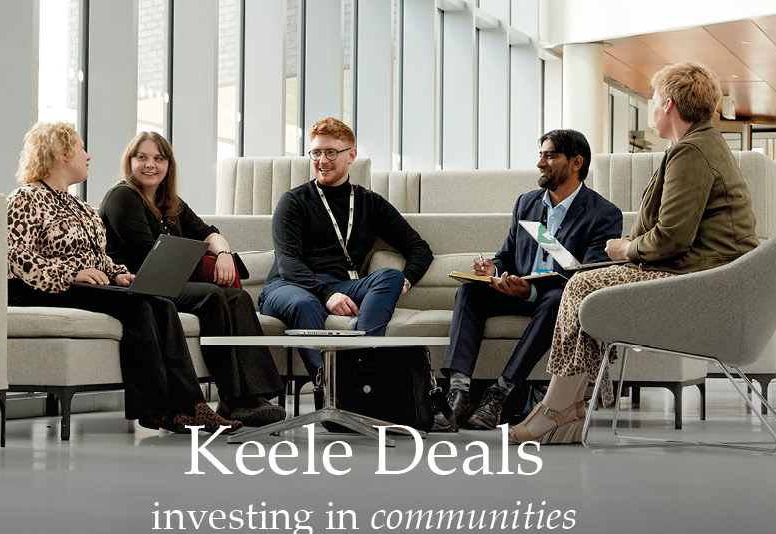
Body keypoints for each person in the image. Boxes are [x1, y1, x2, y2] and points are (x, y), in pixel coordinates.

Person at [508, 61, 760, 445]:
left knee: (580, 287)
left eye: (655, 100)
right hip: (707, 274)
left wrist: (628, 248)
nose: (652, 109)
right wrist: (633, 248)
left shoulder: (691, 152)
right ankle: (570, 406)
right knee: (587, 284)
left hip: (695, 279)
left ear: (670, 105)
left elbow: (672, 238)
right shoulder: (700, 145)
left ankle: (556, 409)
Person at [7, 121, 241, 434]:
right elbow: (15, 257)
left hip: (81, 286)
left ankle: (189, 407)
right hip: (39, 288)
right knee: (138, 307)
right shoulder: (25, 200)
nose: (87, 156)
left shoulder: (80, 207)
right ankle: (159, 409)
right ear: (62, 154)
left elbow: (99, 258)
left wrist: (118, 273)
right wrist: (70, 272)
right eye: (81, 148)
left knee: (158, 303)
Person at [437, 129, 622, 431]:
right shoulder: (526, 203)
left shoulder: (603, 214)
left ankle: (500, 392)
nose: (540, 163)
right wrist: (493, 272)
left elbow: (586, 274)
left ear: (576, 163)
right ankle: (458, 394)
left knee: (555, 299)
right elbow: (507, 255)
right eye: (540, 155)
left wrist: (532, 292)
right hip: (515, 288)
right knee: (469, 292)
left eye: (550, 156)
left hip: (554, 298)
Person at [99, 132, 285, 427]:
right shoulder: (122, 197)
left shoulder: (169, 201)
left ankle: (251, 398)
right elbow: (148, 256)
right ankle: (233, 397)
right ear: (129, 162)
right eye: (142, 157)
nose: (151, 165)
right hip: (143, 284)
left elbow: (208, 232)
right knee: (213, 295)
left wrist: (223, 253)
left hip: (170, 281)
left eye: (159, 159)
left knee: (237, 296)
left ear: (168, 165)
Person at [259, 117, 433, 373]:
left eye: (331, 152)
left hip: (342, 284)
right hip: (288, 286)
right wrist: (327, 296)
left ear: (351, 155)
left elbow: (419, 248)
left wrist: (406, 281)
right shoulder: (293, 201)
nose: (322, 161)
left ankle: (361, 366)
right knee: (304, 303)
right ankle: (326, 385)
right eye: (316, 153)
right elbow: (289, 264)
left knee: (390, 277)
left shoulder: (370, 203)